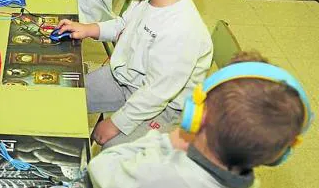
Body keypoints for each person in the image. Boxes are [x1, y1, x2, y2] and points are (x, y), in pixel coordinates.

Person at [57, 0, 212, 146]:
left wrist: (116, 124)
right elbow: (122, 25)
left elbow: (157, 93)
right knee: (67, 95)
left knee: (112, 155)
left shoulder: (182, 31)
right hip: (127, 77)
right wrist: (89, 29)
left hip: (162, 109)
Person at [86, 52, 313, 188]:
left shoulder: (161, 172)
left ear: (195, 116)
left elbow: (101, 168)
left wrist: (164, 142)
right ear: (280, 155)